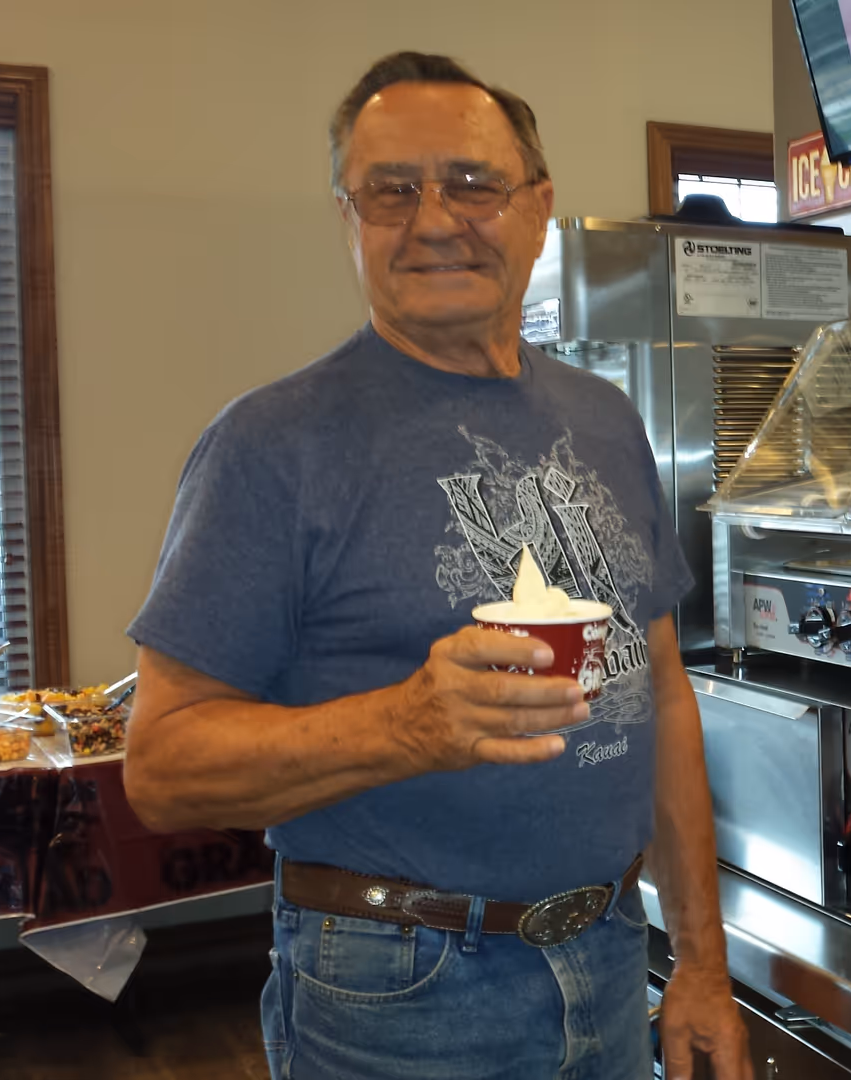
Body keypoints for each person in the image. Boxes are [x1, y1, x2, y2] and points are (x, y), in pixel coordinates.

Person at [123, 52, 750, 1080]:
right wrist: (406, 723)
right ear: (348, 216)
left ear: (537, 207)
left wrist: (701, 964)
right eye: (391, 190)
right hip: (397, 987)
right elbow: (161, 769)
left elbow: (663, 697)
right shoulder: (271, 447)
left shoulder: (605, 418)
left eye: (471, 183)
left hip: (607, 956)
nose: (433, 219)